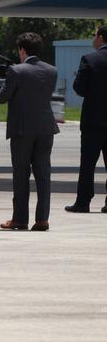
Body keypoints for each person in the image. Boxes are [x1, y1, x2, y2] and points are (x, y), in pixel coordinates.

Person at [0, 31, 59, 231]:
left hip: (22, 129)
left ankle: (20, 219)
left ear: (22, 50)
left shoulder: (16, 71)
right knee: (43, 174)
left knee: (21, 174)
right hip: (45, 128)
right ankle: (42, 219)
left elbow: (2, 96)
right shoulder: (52, 71)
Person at [66, 24, 107, 213]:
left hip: (93, 121)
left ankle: (83, 202)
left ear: (100, 37)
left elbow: (79, 88)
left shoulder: (90, 59)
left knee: (88, 164)